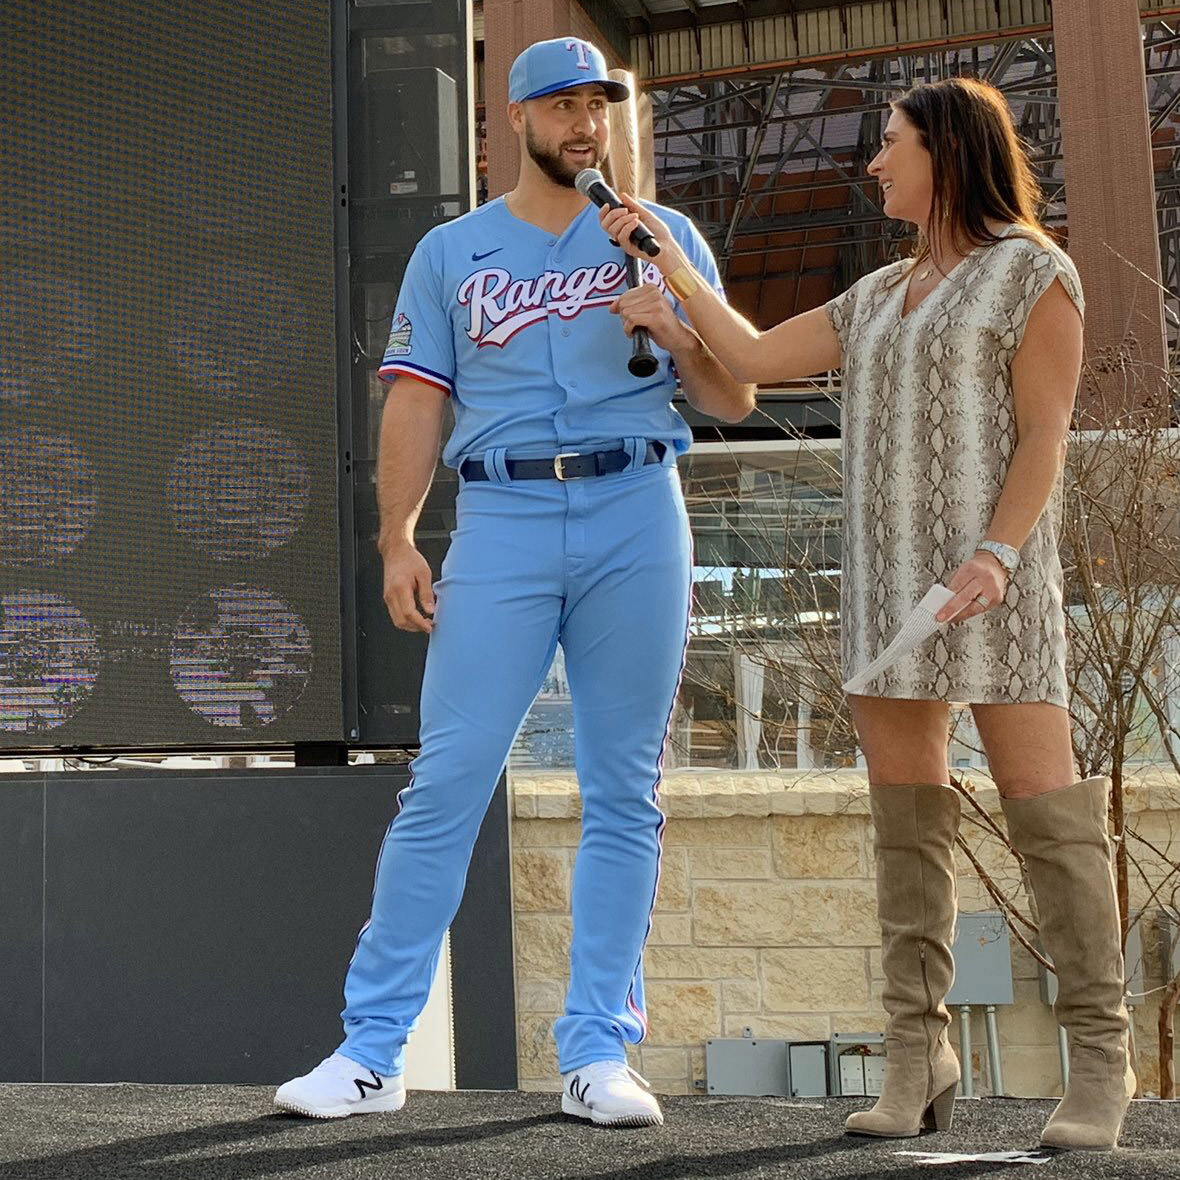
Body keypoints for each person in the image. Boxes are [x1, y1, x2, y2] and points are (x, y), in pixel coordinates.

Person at [601, 77, 1133, 1151]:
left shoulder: (1035, 273)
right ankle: (915, 1056)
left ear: (946, 151)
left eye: (888, 145)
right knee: (905, 827)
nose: (873, 163)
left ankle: (1100, 1064)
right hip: (886, 586)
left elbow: (1044, 435)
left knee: (1049, 818)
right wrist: (665, 272)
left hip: (993, 583)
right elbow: (748, 359)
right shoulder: (878, 293)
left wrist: (995, 550)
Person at [274, 37, 754, 1126]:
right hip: (503, 515)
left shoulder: (659, 234)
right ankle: (370, 1049)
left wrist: (673, 321)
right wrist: (398, 534)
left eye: (599, 104)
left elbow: (729, 394)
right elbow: (413, 399)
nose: (585, 123)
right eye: (562, 105)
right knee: (446, 780)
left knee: (624, 787)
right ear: (517, 121)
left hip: (638, 505)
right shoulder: (454, 250)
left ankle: (595, 1052)